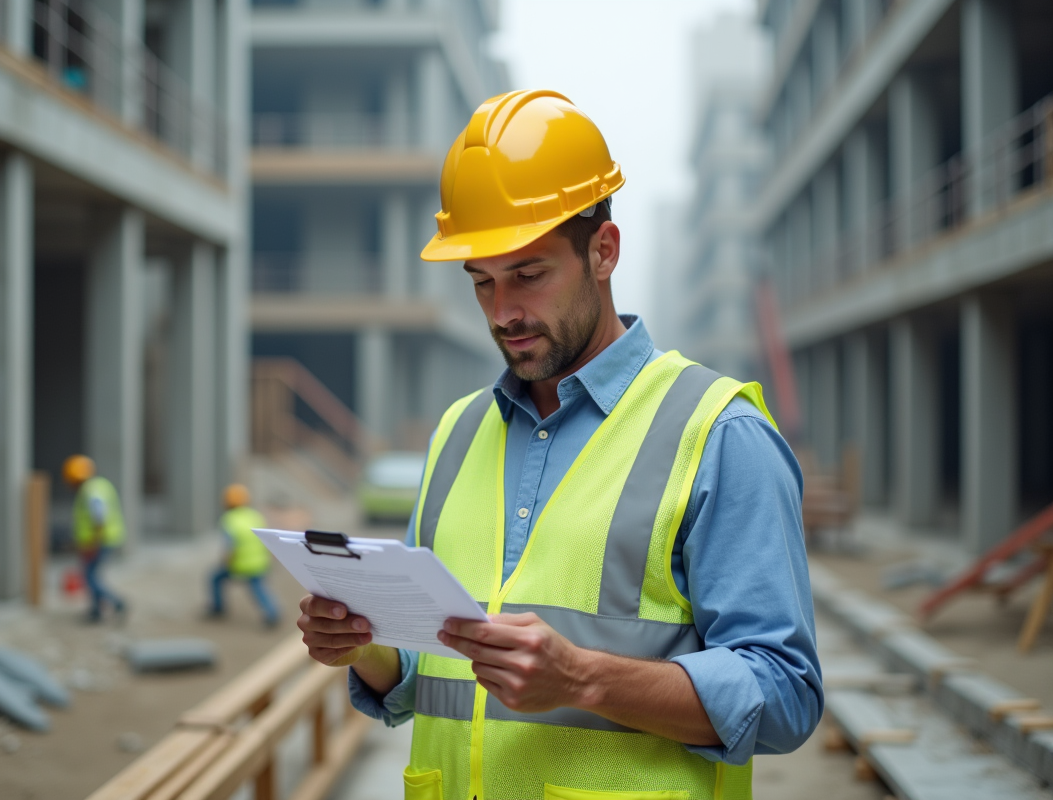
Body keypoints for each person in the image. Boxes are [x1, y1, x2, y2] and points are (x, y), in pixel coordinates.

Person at [295, 90, 823, 800]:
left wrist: (583, 679)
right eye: (482, 283)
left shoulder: (718, 434)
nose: (503, 312)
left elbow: (785, 695)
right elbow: (432, 675)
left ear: (603, 251)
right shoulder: (457, 433)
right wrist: (364, 647)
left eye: (529, 275)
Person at [62, 455, 127, 623]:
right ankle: (96, 611)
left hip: (100, 541)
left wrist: (93, 543)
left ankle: (117, 603)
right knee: (92, 575)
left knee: (89, 577)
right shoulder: (98, 486)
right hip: (103, 539)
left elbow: (99, 518)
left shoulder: (91, 491)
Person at [209, 484, 279, 627]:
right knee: (259, 588)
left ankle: (218, 608)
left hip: (240, 564)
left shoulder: (229, 519)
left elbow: (230, 546)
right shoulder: (255, 515)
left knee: (215, 578)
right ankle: (273, 614)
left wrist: (225, 562)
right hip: (260, 562)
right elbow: (266, 538)